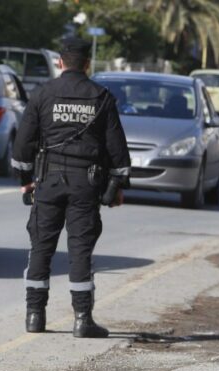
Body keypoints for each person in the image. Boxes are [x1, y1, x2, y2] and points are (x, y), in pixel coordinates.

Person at [11, 37, 131, 338]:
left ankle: (35, 316)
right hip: (86, 185)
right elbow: (117, 151)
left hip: (48, 182)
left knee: (41, 248)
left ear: (60, 62)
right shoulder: (101, 96)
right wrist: (116, 186)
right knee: (80, 251)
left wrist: (25, 181)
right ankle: (82, 319)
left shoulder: (43, 94)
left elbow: (22, 146)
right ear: (87, 64)